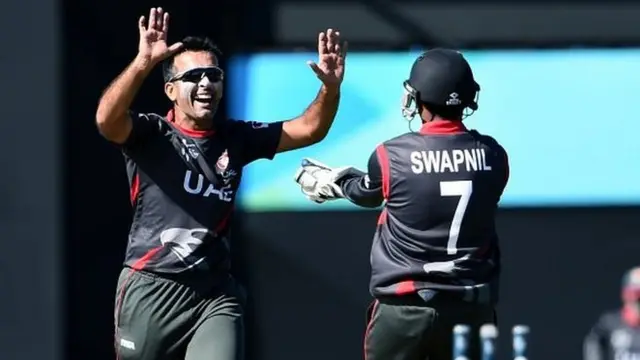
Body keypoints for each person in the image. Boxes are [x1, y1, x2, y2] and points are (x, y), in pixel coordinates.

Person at [95, 7, 347, 360]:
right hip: (151, 287)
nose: (205, 85)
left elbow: (309, 129)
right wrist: (142, 63)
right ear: (170, 90)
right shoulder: (152, 134)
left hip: (213, 293)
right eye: (193, 77)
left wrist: (330, 89)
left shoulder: (236, 137)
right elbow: (106, 121)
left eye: (213, 75)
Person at [293, 48, 509, 360]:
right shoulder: (494, 155)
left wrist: (335, 182)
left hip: (404, 307)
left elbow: (367, 193)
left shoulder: (391, 155)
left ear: (418, 98)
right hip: (469, 307)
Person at [584, 266, 640, 360]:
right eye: (636, 295)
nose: (637, 302)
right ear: (625, 294)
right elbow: (593, 342)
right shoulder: (610, 324)